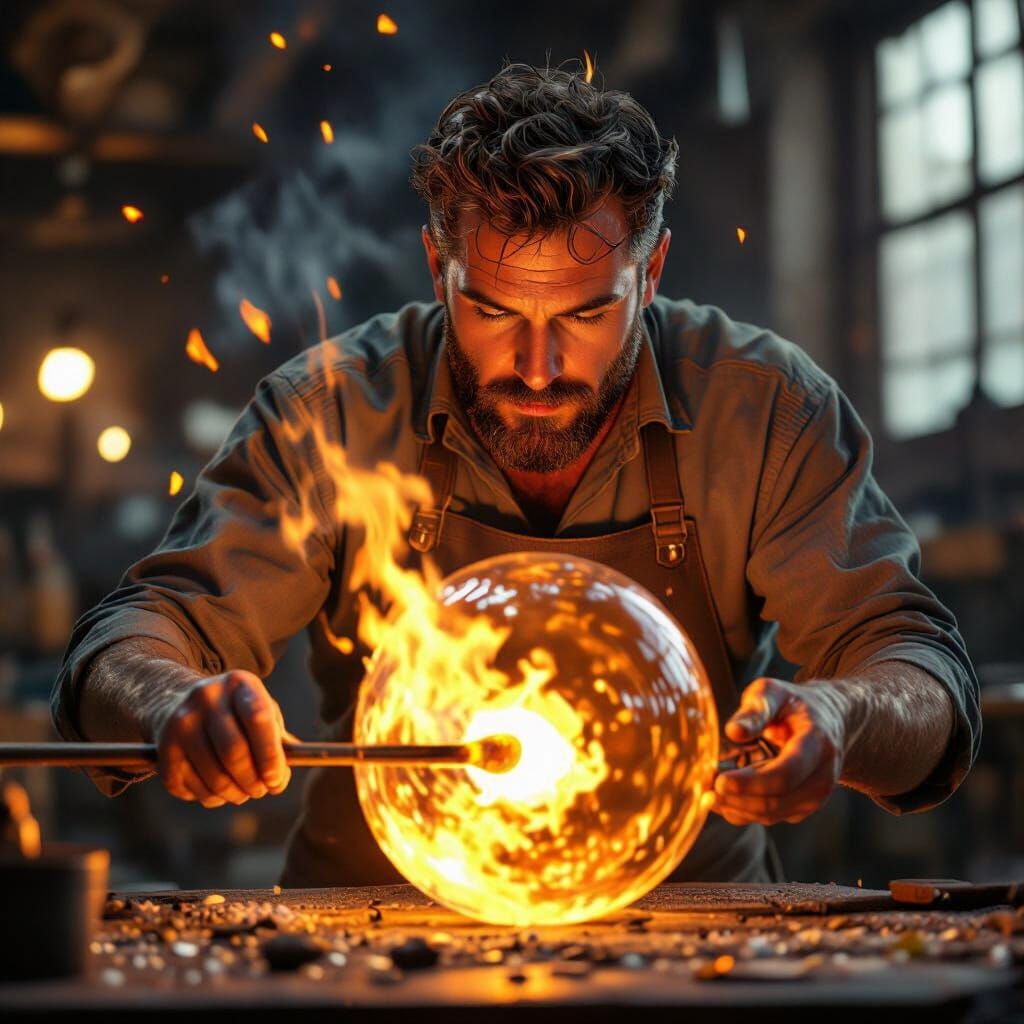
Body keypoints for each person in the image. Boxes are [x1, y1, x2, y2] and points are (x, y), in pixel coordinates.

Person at [52, 63, 980, 886]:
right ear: (437, 264)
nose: (536, 366)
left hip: (692, 917)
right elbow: (132, 641)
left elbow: (921, 677)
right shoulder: (331, 412)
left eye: (584, 315)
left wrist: (838, 717)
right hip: (372, 923)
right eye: (492, 309)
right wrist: (174, 698)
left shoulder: (764, 410)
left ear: (649, 269)